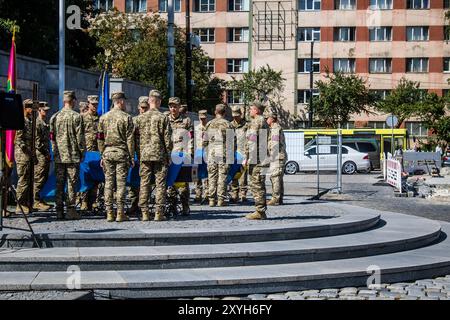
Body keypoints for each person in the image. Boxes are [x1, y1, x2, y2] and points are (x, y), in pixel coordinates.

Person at [135, 90, 173, 221]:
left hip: (144, 155)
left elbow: (135, 139)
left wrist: (138, 153)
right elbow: (168, 140)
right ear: (158, 101)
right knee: (160, 184)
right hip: (160, 155)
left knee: (144, 183)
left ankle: (144, 212)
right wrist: (169, 155)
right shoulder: (163, 118)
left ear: (149, 101)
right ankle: (158, 212)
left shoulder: (140, 118)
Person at [98, 91, 135, 222]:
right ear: (120, 101)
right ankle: (120, 213)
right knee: (121, 184)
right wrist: (131, 157)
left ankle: (109, 213)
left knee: (108, 183)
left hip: (107, 153)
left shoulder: (103, 117)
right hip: (121, 153)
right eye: (124, 101)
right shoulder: (126, 118)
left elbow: (100, 139)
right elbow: (130, 140)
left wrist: (102, 155)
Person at [50, 91, 86, 220]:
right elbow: (80, 138)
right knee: (72, 183)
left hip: (59, 155)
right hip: (72, 155)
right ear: (73, 101)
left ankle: (59, 210)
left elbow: (52, 138)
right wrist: (83, 152)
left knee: (59, 183)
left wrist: (54, 152)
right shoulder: (76, 117)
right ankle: (71, 210)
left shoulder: (54, 117)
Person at [242, 101, 269, 220]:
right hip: (260, 157)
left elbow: (252, 141)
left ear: (257, 110)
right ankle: (260, 210)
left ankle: (260, 211)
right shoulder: (262, 121)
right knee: (258, 184)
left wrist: (247, 158)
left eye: (251, 109)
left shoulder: (257, 121)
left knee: (257, 185)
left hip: (256, 159)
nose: (249, 111)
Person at [167, 97, 194, 215]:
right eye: (171, 106)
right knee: (171, 182)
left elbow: (191, 138)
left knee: (183, 182)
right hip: (169, 154)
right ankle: (172, 206)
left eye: (175, 106)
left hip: (182, 154)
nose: (173, 109)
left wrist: (190, 153)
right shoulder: (165, 119)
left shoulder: (186, 121)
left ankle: (185, 206)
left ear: (179, 107)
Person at [203, 104, 233, 207]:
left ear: (215, 112)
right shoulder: (228, 124)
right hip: (223, 153)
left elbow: (204, 141)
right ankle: (221, 200)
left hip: (211, 154)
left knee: (211, 176)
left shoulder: (209, 124)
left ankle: (211, 200)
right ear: (224, 113)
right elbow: (232, 142)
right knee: (222, 177)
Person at [127, 96, 150, 217]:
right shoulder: (133, 120)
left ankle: (144, 206)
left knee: (145, 182)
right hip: (136, 155)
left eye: (146, 108)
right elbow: (130, 139)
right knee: (133, 181)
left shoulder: (152, 119)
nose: (144, 110)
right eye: (142, 108)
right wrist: (131, 155)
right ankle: (134, 204)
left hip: (148, 156)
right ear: (138, 107)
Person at [14, 99, 34, 214]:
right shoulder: (21, 120)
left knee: (27, 180)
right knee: (23, 180)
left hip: (28, 154)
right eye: (30, 107)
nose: (32, 109)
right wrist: (28, 151)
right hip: (22, 155)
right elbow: (19, 140)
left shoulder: (29, 120)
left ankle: (25, 202)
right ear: (26, 107)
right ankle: (19, 204)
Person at [80, 95, 100, 212]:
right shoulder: (82, 118)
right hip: (86, 152)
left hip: (96, 151)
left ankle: (93, 201)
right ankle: (84, 201)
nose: (95, 106)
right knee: (85, 176)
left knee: (96, 178)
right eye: (93, 104)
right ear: (88, 104)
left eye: (96, 104)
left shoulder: (100, 118)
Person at [265, 108, 287, 206]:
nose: (266, 120)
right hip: (278, 156)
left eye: (267, 118)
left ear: (272, 119)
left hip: (277, 156)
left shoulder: (275, 129)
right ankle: (279, 197)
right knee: (278, 177)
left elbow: (274, 144)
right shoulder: (275, 128)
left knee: (275, 177)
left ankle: (276, 198)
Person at [33, 101, 52, 211]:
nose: (46, 112)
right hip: (40, 154)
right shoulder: (38, 123)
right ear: (39, 110)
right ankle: (35, 201)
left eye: (47, 110)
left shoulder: (44, 122)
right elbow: (37, 142)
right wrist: (45, 153)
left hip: (45, 154)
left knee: (44, 177)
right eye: (44, 110)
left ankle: (40, 199)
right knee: (39, 178)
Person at [230, 105, 248, 203]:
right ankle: (234, 194)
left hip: (243, 153)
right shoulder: (230, 125)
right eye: (234, 116)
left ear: (240, 115)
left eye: (237, 115)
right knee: (234, 175)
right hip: (233, 154)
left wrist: (247, 155)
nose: (236, 117)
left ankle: (243, 194)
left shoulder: (246, 125)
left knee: (243, 176)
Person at [194, 109, 209, 203]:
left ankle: (207, 194)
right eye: (201, 118)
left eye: (204, 118)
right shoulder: (196, 128)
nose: (202, 120)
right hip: (198, 151)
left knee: (207, 174)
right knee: (197, 175)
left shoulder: (210, 127)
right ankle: (198, 194)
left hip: (207, 152)